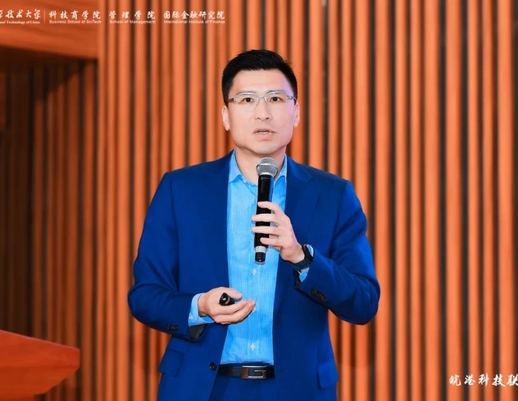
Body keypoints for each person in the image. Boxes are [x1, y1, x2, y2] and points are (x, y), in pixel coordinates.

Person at [128, 49, 380, 401]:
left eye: (276, 98)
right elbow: (145, 295)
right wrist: (200, 306)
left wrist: (301, 257)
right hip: (203, 389)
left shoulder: (333, 196)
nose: (263, 112)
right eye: (247, 99)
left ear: (296, 113)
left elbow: (364, 301)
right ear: (226, 116)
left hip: (296, 390)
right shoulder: (181, 189)